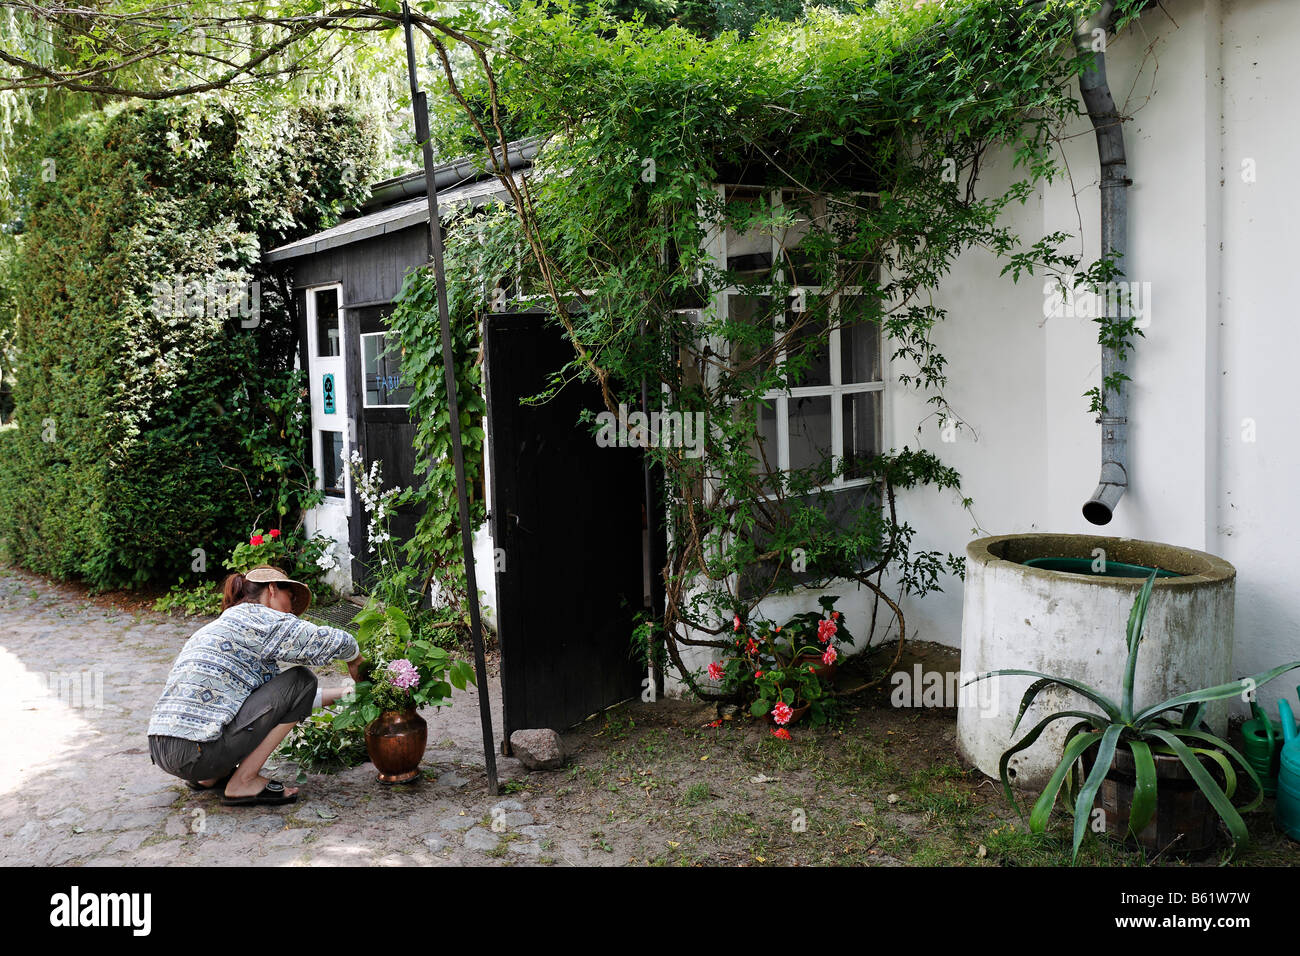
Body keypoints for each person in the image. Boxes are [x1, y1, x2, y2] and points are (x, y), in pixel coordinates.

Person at [147, 564, 365, 806]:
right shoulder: (260, 619)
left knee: (298, 685)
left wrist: (347, 694)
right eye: (289, 597)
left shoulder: (222, 626)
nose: (291, 610)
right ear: (272, 589)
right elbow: (332, 642)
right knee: (303, 678)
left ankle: (209, 777)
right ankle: (244, 780)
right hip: (196, 752)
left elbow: (280, 705)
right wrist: (356, 660)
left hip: (164, 749)